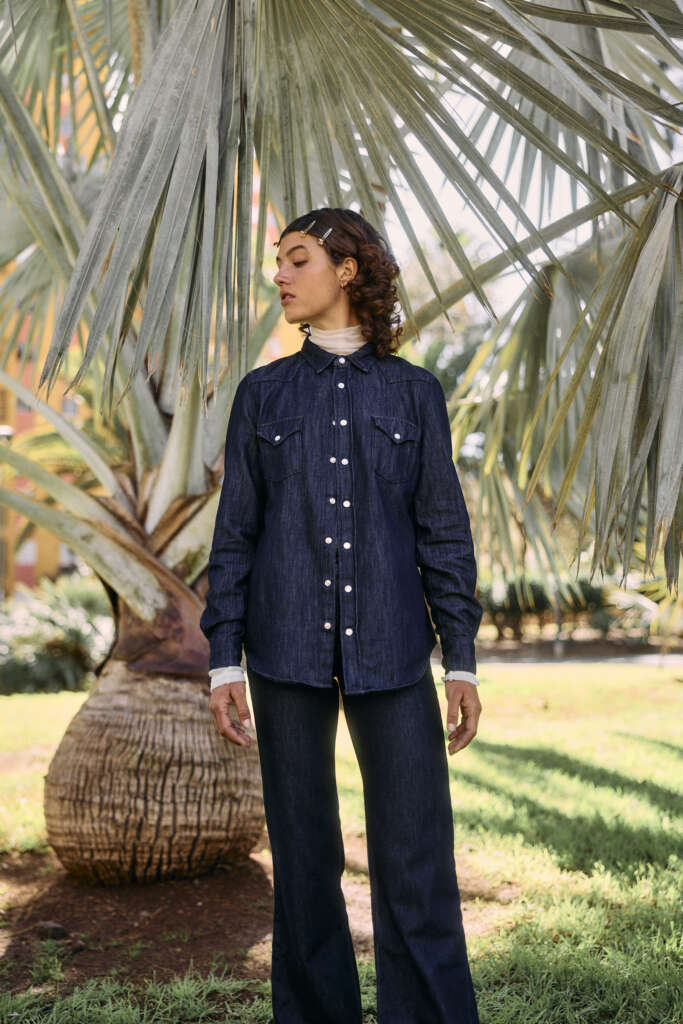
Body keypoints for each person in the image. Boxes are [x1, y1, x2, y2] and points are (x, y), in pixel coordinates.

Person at [200, 207, 483, 1024]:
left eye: (296, 260)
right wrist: (225, 659)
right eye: (278, 263)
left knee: (416, 858)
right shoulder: (262, 395)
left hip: (394, 655)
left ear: (348, 271)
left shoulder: (414, 393)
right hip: (282, 653)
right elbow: (236, 534)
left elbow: (442, 531)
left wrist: (458, 659)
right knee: (304, 860)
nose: (280, 276)